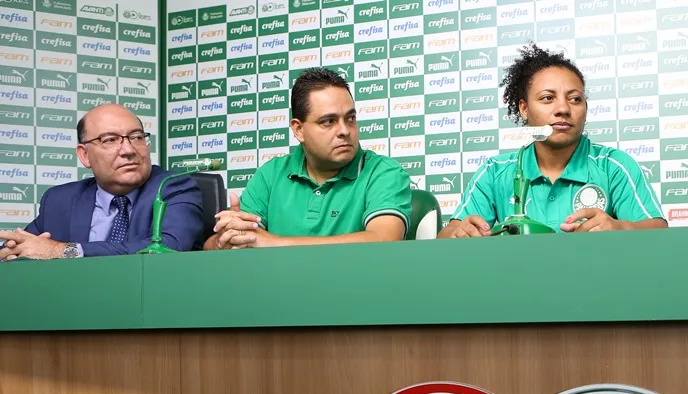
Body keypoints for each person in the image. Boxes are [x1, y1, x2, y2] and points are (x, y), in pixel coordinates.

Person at [440, 44, 666, 237]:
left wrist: (620, 228)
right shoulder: (493, 172)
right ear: (524, 108)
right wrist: (460, 232)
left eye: (575, 99)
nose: (563, 109)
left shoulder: (614, 166)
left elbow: (658, 230)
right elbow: (446, 237)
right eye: (547, 98)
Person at [206, 68, 410, 250]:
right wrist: (226, 239)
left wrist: (274, 243)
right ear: (299, 129)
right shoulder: (271, 174)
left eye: (350, 118)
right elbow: (214, 245)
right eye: (328, 121)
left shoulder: (383, 172)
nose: (344, 130)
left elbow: (384, 241)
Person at [0, 104, 203, 261]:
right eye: (110, 140)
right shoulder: (60, 200)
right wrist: (14, 251)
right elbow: (26, 247)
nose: (128, 150)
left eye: (137, 137)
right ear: (84, 155)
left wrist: (62, 250)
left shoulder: (172, 187)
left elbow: (170, 246)